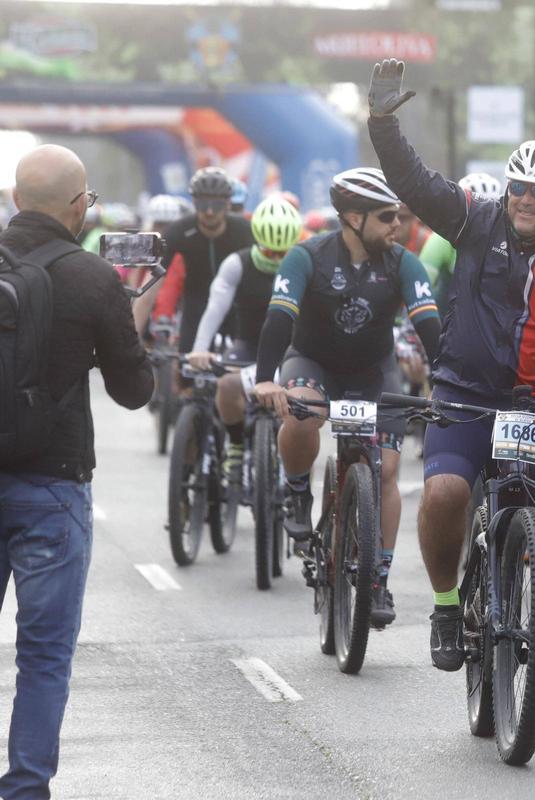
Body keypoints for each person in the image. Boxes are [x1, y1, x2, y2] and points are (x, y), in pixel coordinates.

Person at [364, 58, 535, 668]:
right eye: (518, 186)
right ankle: (445, 605)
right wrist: (383, 124)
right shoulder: (476, 217)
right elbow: (414, 183)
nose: (524, 199)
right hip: (463, 392)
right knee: (442, 492)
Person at [0, 144, 153, 798]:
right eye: (87, 199)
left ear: (13, 201)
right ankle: (25, 789)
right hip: (53, 487)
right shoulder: (94, 278)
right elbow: (134, 391)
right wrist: (132, 305)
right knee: (43, 658)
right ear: (77, 207)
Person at [253, 168, 442, 627]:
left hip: (373, 371)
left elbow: (432, 328)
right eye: (386, 217)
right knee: (298, 412)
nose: (397, 225)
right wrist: (265, 379)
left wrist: (450, 382)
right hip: (313, 362)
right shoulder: (307, 256)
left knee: (389, 470)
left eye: (397, 215)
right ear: (353, 218)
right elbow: (279, 318)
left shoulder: (403, 262)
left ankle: (377, 578)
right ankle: (297, 489)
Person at [185, 196, 305, 483]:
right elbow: (215, 309)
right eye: (269, 251)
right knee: (226, 385)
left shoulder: (306, 263)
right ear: (257, 241)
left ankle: (297, 470)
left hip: (293, 351)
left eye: (282, 252)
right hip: (248, 346)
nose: (276, 259)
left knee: (304, 408)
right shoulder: (236, 263)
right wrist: (199, 350)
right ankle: (236, 444)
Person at [144, 167, 254, 354]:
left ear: (228, 204)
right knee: (187, 370)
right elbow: (153, 283)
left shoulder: (245, 230)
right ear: (194, 202)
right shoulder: (179, 231)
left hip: (239, 309)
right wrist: (132, 336)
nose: (210, 211)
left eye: (217, 205)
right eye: (203, 204)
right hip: (196, 306)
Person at [420, 172, 503, 311]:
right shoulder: (441, 238)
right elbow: (422, 281)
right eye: (475, 214)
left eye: (491, 214)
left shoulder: (505, 239)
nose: (483, 221)